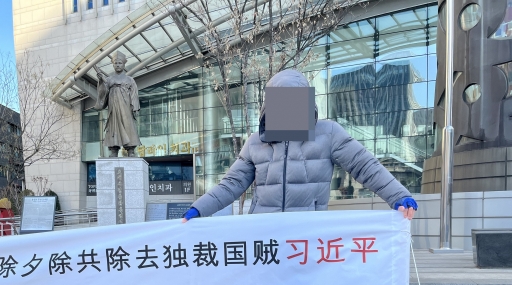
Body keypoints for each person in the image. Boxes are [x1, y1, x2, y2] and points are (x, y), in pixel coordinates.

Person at [183, 69, 417, 222]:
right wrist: (198, 209)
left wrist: (398, 195)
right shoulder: (256, 141)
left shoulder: (329, 133)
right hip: (263, 234)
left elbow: (364, 166)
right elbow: (231, 184)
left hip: (307, 235)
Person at [94, 51, 141, 157]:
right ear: (113, 65)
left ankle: (130, 150)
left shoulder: (130, 80)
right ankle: (114, 149)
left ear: (124, 64)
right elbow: (103, 92)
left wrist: (135, 108)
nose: (118, 65)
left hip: (126, 107)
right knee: (113, 127)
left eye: (120, 63)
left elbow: (134, 94)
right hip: (113, 108)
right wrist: (101, 81)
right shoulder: (109, 79)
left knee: (128, 126)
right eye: (115, 63)